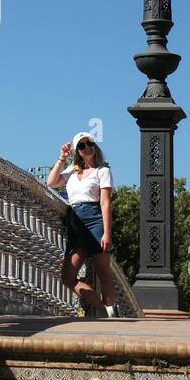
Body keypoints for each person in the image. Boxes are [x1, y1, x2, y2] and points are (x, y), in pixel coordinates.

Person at [47, 131, 117, 318]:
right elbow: (51, 182)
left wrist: (107, 233)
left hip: (95, 221)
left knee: (104, 273)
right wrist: (62, 158)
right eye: (82, 145)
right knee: (68, 277)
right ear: (77, 150)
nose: (87, 147)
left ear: (95, 146)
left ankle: (110, 315)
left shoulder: (103, 171)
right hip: (76, 223)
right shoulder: (72, 171)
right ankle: (104, 311)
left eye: (90, 143)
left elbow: (105, 203)